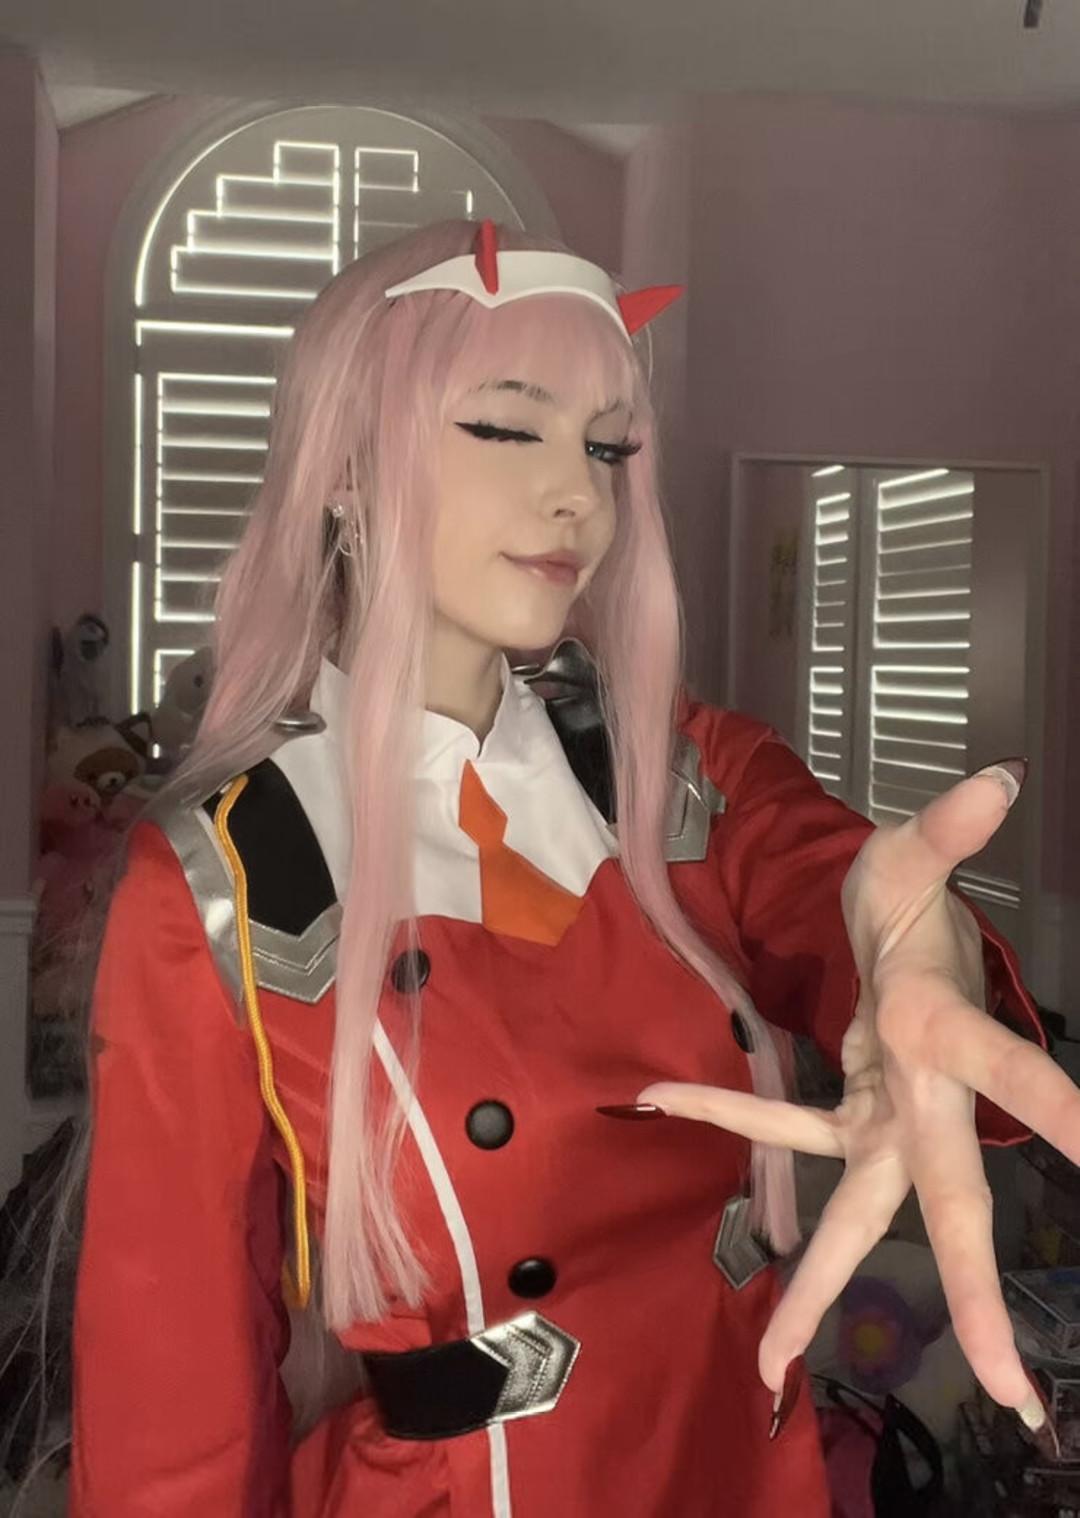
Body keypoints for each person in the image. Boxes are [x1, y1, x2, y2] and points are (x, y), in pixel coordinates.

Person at [69, 218, 1078, 1517]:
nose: (580, 498)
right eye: (510, 428)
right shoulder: (227, 883)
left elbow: (840, 890)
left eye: (605, 446)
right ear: (346, 467)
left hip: (744, 1476)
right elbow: (171, 1418)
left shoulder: (676, 775)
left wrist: (912, 957)